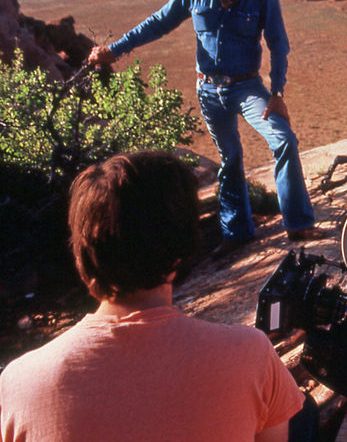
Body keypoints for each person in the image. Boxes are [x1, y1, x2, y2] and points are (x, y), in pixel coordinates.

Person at [0, 150, 308, 441]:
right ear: (183, 248)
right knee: (303, 415)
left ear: (83, 255)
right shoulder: (250, 355)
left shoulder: (19, 385)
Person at [88, 0, 318, 252]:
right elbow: (158, 23)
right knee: (230, 157)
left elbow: (278, 43)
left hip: (247, 87)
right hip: (209, 90)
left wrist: (278, 91)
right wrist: (114, 50)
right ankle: (236, 233)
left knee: (283, 139)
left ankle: (298, 224)